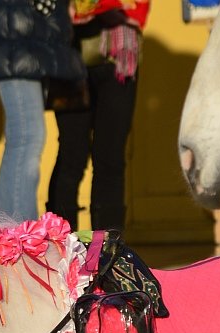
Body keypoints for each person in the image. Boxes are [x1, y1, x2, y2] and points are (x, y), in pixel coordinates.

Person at [0, 0, 83, 222]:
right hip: (14, 38)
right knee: (26, 136)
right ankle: (18, 233)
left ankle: (13, 232)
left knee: (24, 136)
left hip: (21, 37)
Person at [45, 0, 149, 231]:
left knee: (110, 156)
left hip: (119, 55)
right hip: (69, 52)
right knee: (72, 155)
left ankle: (107, 251)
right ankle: (59, 245)